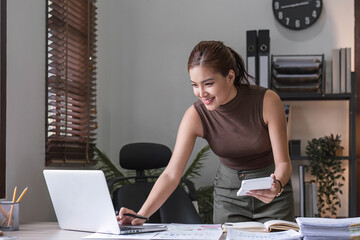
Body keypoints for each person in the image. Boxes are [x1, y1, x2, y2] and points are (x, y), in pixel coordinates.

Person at [118, 40, 295, 225]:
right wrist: (141, 215)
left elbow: (283, 163)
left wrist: (277, 186)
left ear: (230, 76)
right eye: (195, 85)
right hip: (229, 199)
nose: (201, 93)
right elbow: (171, 174)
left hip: (274, 195)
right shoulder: (195, 116)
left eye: (208, 83)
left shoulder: (267, 101)